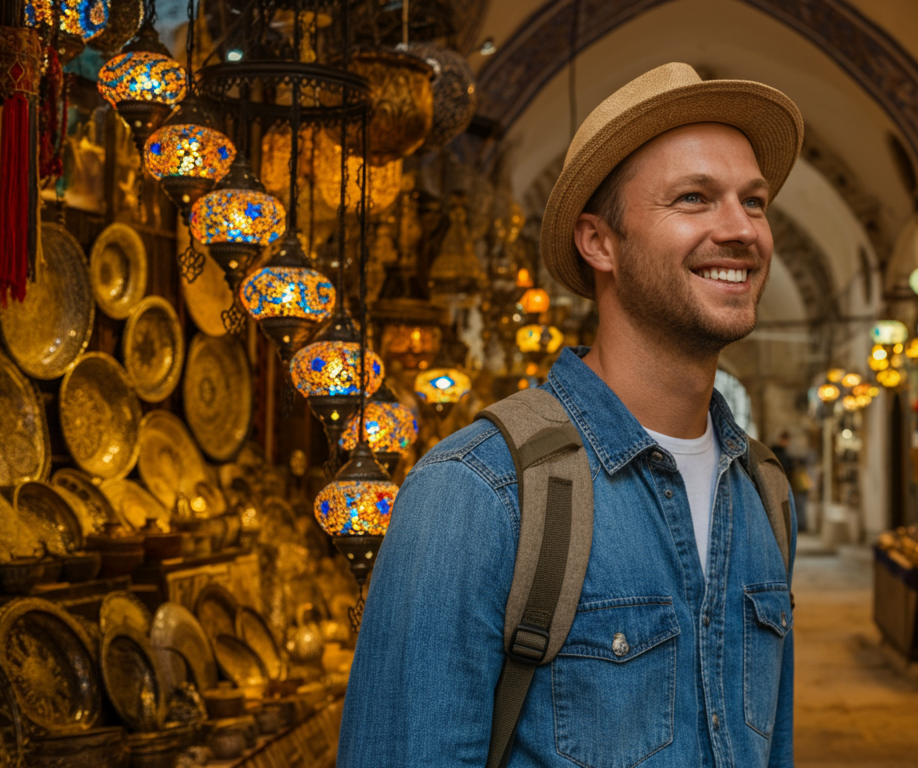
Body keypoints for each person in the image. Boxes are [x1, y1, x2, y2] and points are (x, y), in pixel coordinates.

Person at [338, 63, 804, 768]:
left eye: (756, 201)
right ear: (599, 242)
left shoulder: (764, 495)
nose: (741, 230)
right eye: (693, 198)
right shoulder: (476, 493)